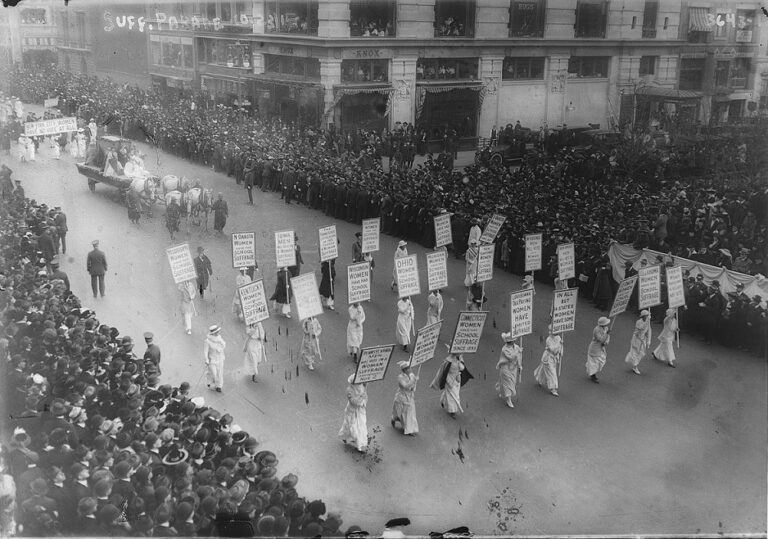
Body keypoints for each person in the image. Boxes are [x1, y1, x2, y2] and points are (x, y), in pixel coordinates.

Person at [430, 353, 467, 418]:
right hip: (449, 380)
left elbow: (462, 368)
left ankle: (443, 401)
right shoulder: (448, 361)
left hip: (457, 380)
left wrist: (461, 360)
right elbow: (444, 371)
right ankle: (452, 411)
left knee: (451, 393)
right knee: (453, 396)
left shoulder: (458, 359)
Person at [339, 374, 368, 453]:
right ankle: (346, 436)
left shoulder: (362, 386)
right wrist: (360, 397)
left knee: (361, 427)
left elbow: (365, 397)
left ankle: (360, 445)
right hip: (352, 411)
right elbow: (353, 402)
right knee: (351, 426)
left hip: (361, 411)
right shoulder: (349, 390)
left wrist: (363, 401)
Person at [534, 324, 563, 396]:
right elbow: (553, 350)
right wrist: (559, 345)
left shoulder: (559, 338)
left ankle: (539, 378)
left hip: (554, 359)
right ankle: (553, 388)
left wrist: (561, 348)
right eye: (549, 331)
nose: (550, 332)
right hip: (548, 358)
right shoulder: (548, 339)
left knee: (543, 369)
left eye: (551, 331)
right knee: (552, 373)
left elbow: (559, 350)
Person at [496, 333, 523, 408]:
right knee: (508, 383)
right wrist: (518, 351)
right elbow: (511, 357)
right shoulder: (504, 349)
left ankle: (501, 390)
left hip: (513, 368)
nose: (513, 341)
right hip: (506, 368)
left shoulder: (517, 347)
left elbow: (518, 357)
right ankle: (508, 399)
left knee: (512, 382)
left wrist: (520, 365)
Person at [391, 361, 419, 435]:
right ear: (404, 370)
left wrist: (415, 383)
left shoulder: (412, 375)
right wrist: (413, 380)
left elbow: (413, 388)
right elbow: (405, 386)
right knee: (402, 413)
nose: (410, 369)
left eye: (409, 368)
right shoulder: (400, 377)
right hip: (402, 397)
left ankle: (409, 429)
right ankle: (394, 419)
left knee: (409, 414)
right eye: (408, 368)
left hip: (410, 397)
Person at [624, 310, 651, 375]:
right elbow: (641, 327)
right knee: (635, 352)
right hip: (636, 339)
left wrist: (648, 341)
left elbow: (649, 331)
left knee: (642, 353)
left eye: (648, 315)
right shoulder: (638, 322)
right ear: (643, 316)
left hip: (643, 340)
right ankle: (635, 366)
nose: (648, 317)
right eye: (647, 316)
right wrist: (647, 321)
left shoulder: (648, 322)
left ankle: (634, 363)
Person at [586, 317, 611, 383]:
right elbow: (600, 339)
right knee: (594, 362)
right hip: (594, 348)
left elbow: (608, 338)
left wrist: (606, 342)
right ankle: (593, 375)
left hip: (601, 348)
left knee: (602, 360)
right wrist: (606, 334)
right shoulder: (596, 330)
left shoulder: (606, 328)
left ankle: (592, 372)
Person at [204, 324, 226, 392]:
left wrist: (221, 347)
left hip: (220, 358)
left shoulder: (220, 339)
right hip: (212, 359)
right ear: (213, 333)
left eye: (218, 331)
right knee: (213, 373)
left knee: (220, 373)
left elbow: (224, 345)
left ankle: (219, 386)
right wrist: (206, 359)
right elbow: (205, 351)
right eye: (216, 332)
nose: (217, 333)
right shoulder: (207, 341)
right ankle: (209, 381)